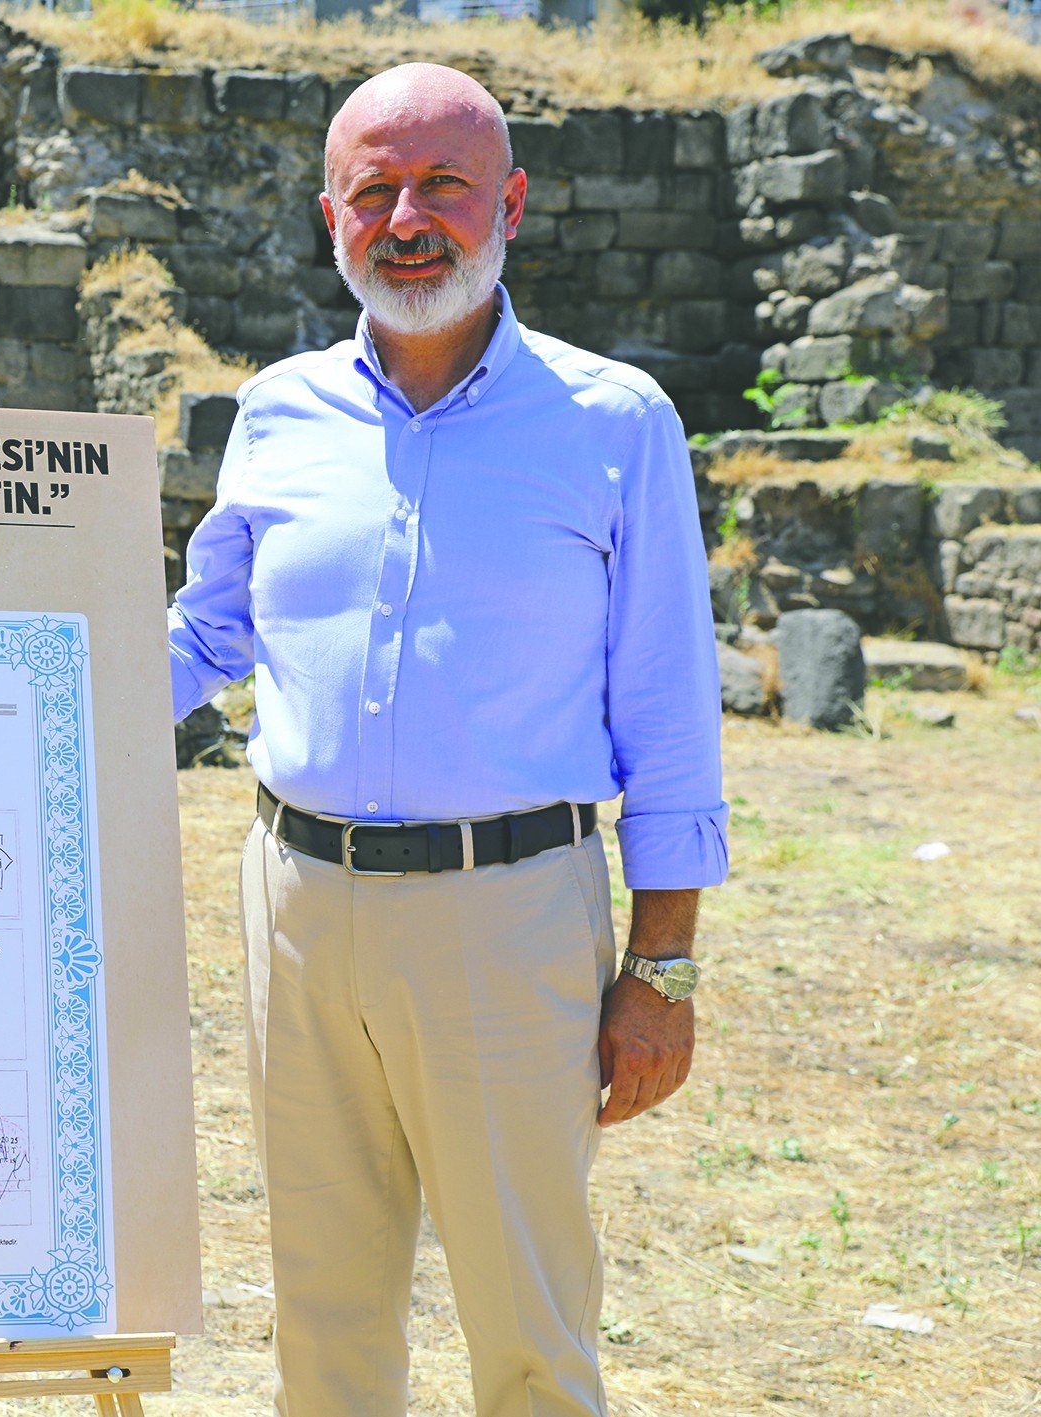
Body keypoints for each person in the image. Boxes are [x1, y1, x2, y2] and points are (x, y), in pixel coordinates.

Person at [167, 63, 728, 1417]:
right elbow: (201, 639)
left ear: (511, 206)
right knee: (323, 1309)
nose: (405, 217)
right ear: (329, 213)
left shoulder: (610, 423)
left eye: (441, 187)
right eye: (374, 190)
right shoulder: (277, 414)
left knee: (527, 1326)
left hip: (507, 913)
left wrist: (665, 963)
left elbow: (663, 704)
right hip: (293, 907)